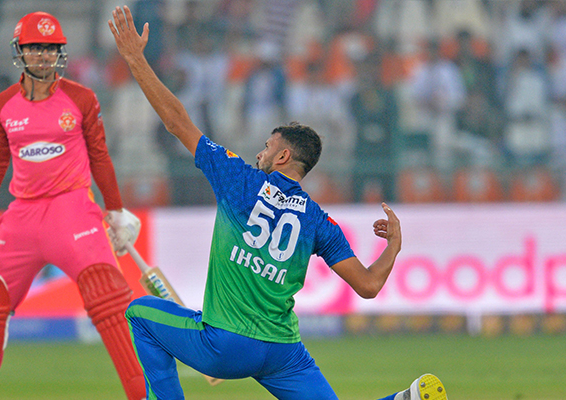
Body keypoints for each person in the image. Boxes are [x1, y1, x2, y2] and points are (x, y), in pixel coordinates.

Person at [108, 6, 448, 400]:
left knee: (140, 313)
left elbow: (176, 122)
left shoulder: (238, 178)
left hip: (225, 346)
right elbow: (370, 286)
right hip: (281, 352)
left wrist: (134, 57)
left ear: (283, 157)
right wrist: (394, 247)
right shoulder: (319, 221)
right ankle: (405, 398)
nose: (260, 153)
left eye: (268, 147)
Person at [0, 11, 146, 400]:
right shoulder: (2, 106)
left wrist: (116, 210)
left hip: (72, 208)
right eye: (35, 48)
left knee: (109, 302)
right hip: (22, 215)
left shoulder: (81, 98)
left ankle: (148, 393)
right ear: (19, 52)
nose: (43, 55)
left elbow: (100, 156)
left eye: (51, 48)